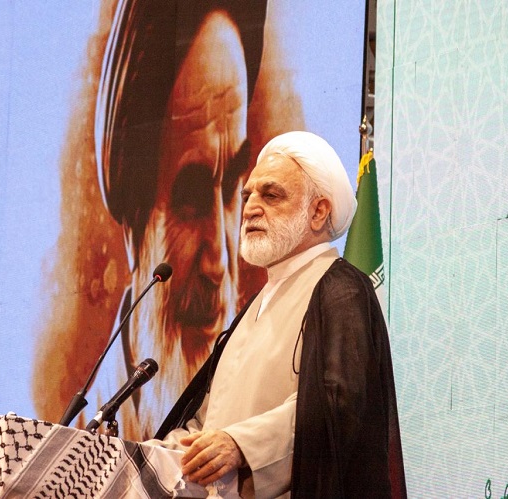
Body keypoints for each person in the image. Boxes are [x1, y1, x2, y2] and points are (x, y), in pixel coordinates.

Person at [152, 131, 407, 498]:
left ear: (318, 212)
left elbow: (339, 407)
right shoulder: (255, 304)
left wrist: (242, 445)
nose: (250, 208)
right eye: (248, 196)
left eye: (271, 195)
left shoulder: (341, 290)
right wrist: (149, 455)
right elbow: (209, 424)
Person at [88, 0, 269, 439]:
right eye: (190, 201)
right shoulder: (84, 431)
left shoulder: (265, 404)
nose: (220, 263)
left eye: (233, 186)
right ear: (135, 219)